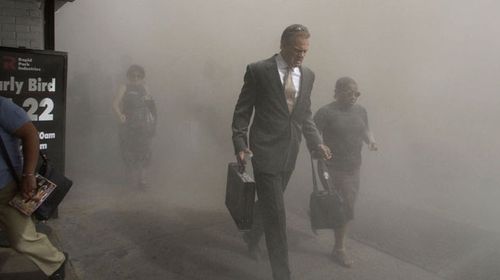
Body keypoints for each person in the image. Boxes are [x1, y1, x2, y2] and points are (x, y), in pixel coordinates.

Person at [231, 24, 331, 280]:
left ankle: (251, 236)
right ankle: (282, 273)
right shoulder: (258, 70)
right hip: (263, 150)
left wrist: (316, 142)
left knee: (269, 205)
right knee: (276, 214)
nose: (301, 56)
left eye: (305, 51)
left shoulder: (308, 75)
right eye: (297, 50)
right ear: (283, 45)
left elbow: (304, 114)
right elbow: (243, 111)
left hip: (290, 151)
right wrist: (241, 144)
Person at [0, 96, 68, 279]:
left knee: (22, 239)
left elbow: (30, 134)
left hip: (5, 188)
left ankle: (55, 262)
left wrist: (28, 175)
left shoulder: (3, 106)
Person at [313, 77, 377, 267]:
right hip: (331, 167)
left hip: (353, 166)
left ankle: (320, 215)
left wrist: (371, 141)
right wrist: (319, 147)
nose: (354, 97)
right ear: (337, 93)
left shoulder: (360, 111)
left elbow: (365, 130)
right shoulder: (325, 112)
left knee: (344, 204)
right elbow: (313, 134)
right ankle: (339, 249)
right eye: (349, 93)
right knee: (344, 205)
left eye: (357, 93)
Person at [113, 64, 157, 187]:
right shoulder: (124, 87)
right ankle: (129, 179)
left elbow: (151, 107)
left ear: (142, 76)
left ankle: (142, 180)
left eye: (138, 75)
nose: (135, 78)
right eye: (133, 75)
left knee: (144, 151)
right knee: (128, 151)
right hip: (127, 124)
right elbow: (115, 104)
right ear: (129, 76)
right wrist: (119, 115)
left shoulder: (145, 88)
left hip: (142, 124)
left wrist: (153, 124)